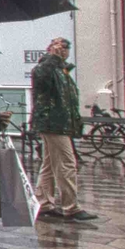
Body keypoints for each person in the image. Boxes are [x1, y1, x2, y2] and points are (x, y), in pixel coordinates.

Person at [29, 37, 95, 223]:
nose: (63, 50)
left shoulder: (62, 70)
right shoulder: (46, 68)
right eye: (59, 47)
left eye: (66, 48)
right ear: (49, 48)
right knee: (67, 162)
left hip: (59, 123)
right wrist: (52, 58)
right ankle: (70, 207)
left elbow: (69, 101)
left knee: (50, 164)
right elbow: (41, 79)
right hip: (52, 123)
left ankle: (44, 203)